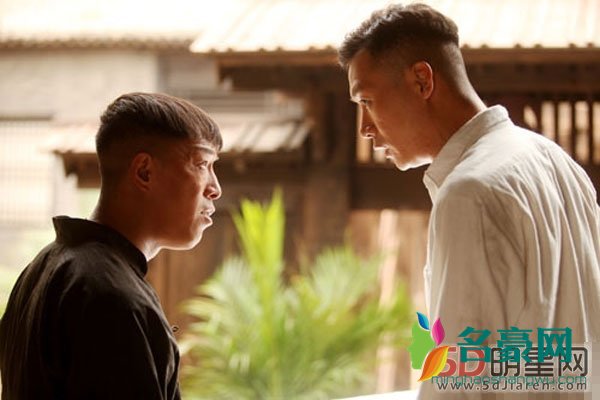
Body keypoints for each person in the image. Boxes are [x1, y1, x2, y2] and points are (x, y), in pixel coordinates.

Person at [339, 3, 599, 399]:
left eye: (367, 101)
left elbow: (459, 381)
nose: (364, 128)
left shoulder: (469, 194)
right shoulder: (555, 160)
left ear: (422, 81)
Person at [0, 92, 222, 399]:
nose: (215, 188)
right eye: (202, 164)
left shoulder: (42, 269)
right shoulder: (111, 295)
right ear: (144, 172)